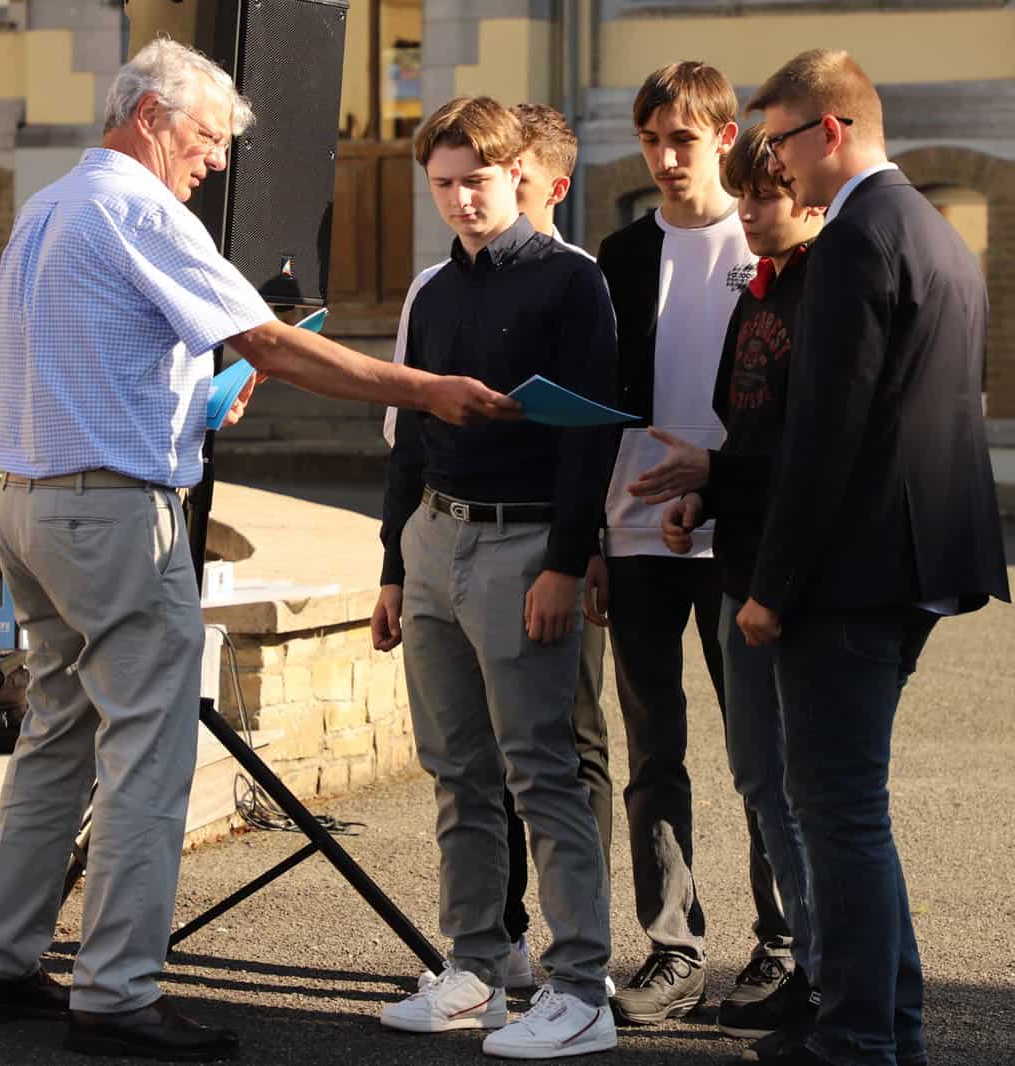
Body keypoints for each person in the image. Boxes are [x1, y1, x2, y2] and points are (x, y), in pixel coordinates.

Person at [0, 40, 514, 1063]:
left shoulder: (48, 203)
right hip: (111, 517)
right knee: (148, 750)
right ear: (152, 117)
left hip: (31, 507)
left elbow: (97, 364)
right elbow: (269, 340)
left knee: (58, 733)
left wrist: (197, 399)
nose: (216, 161)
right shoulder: (140, 210)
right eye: (209, 138)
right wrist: (427, 391)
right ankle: (114, 994)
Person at [725, 49, 1012, 1065]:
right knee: (852, 811)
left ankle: (855, 1039)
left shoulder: (854, 240)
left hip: (852, 576)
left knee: (835, 813)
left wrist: (771, 588)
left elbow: (827, 433)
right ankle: (888, 1026)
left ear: (832, 130)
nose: (775, 165)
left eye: (780, 143)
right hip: (918, 562)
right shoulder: (932, 228)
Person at [370, 96, 618, 1060]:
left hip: (526, 547)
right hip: (434, 539)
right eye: (442, 184)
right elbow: (410, 436)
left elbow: (590, 439)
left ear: (518, 172)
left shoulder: (572, 283)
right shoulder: (434, 293)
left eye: (475, 179)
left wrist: (564, 562)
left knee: (541, 772)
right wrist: (393, 568)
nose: (460, 199)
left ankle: (581, 990)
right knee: (456, 773)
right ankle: (476, 969)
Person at [591, 60, 794, 1025]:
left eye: (683, 139)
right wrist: (589, 539)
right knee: (653, 754)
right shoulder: (620, 254)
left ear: (723, 136)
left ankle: (783, 943)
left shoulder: (765, 242)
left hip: (738, 533)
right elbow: (596, 407)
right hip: (634, 532)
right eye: (650, 140)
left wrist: (724, 489)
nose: (666, 158)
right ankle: (673, 949)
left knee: (764, 753)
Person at [633, 121, 824, 1043]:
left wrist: (769, 582)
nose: (749, 212)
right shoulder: (753, 295)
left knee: (790, 781)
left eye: (767, 195)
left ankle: (806, 963)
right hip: (713, 554)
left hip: (776, 576)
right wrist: (701, 499)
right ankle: (753, 963)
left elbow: (816, 455)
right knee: (732, 767)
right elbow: (745, 441)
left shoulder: (818, 295)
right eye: (744, 196)